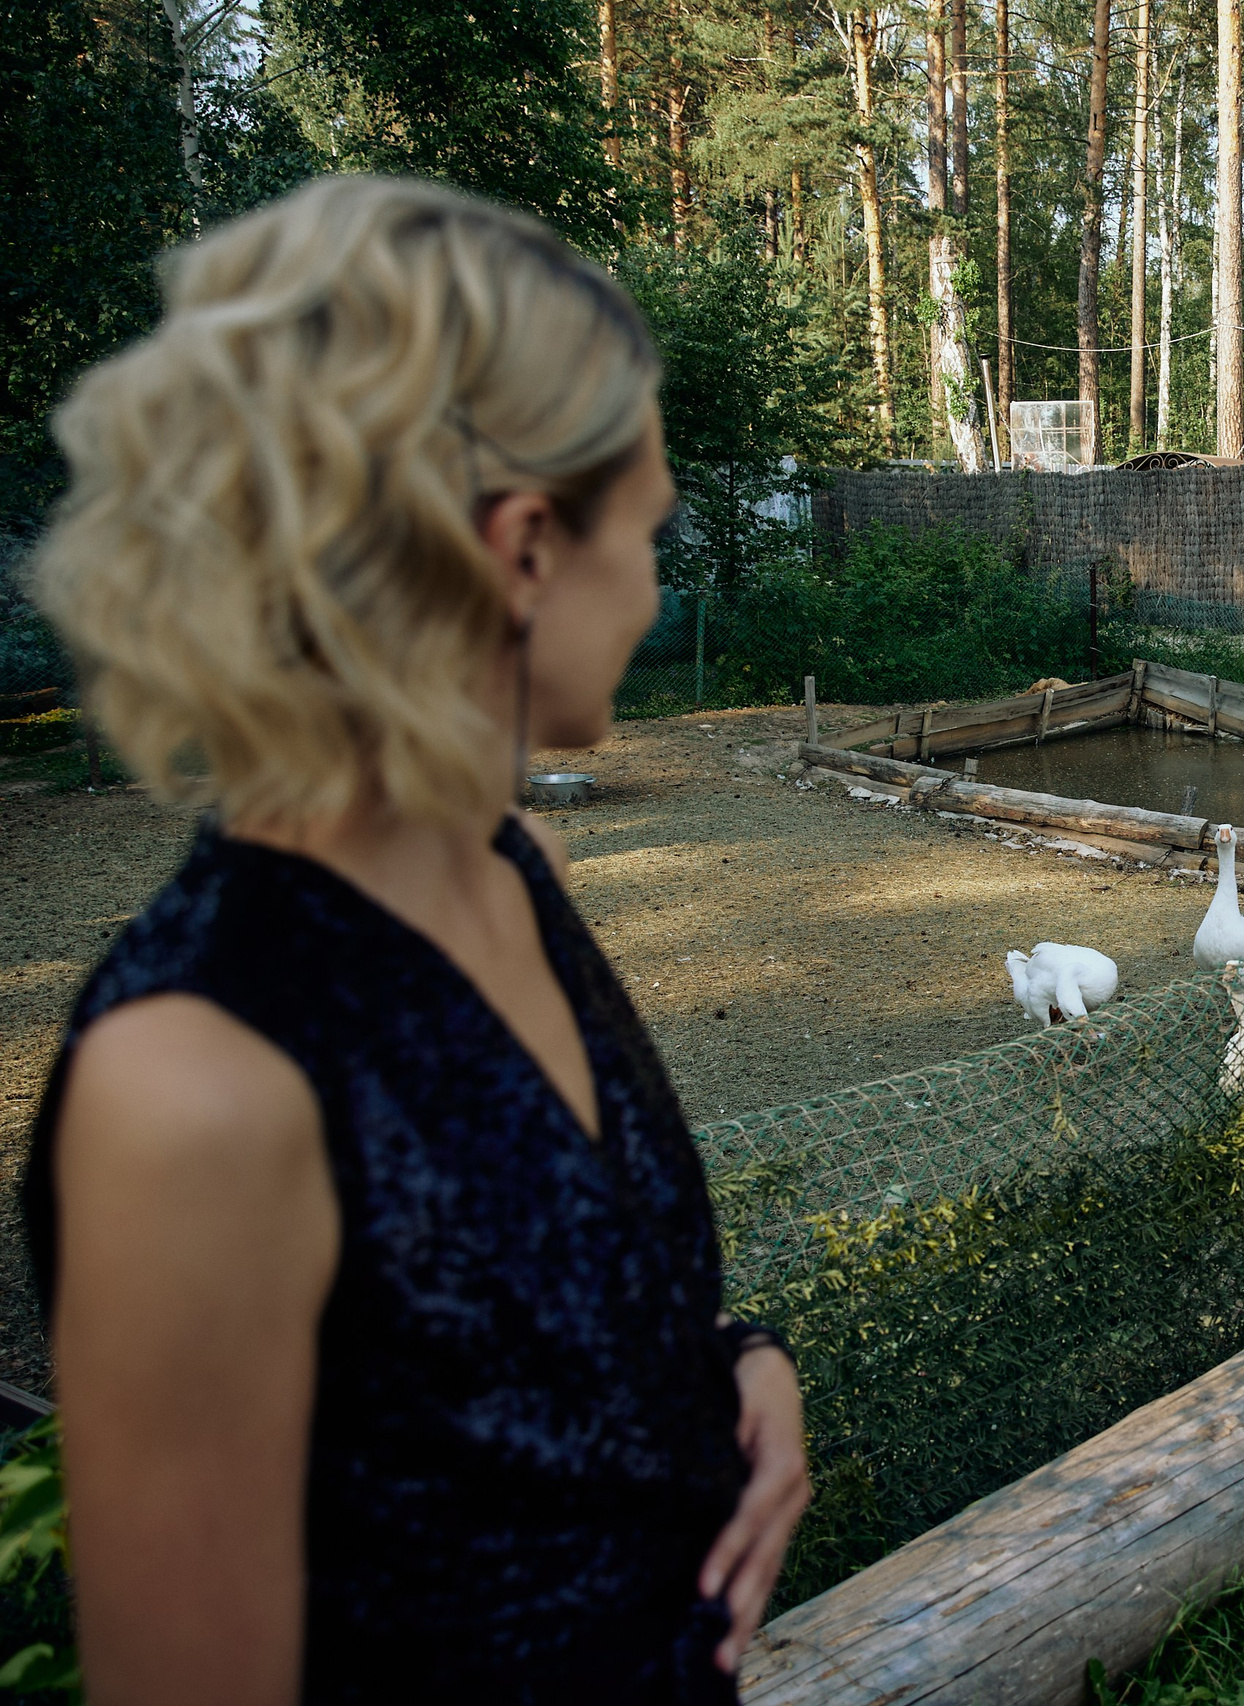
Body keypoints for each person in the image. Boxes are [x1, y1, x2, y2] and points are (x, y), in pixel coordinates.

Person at [22, 176, 808, 1704]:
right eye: (644, 527)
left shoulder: (521, 878)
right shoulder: (195, 1089)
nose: (653, 590)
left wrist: (740, 1366)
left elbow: (518, 1352)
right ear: (521, 550)